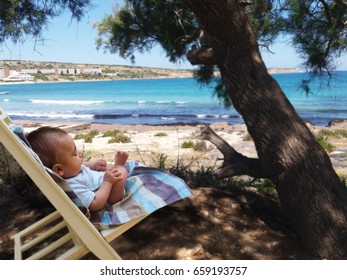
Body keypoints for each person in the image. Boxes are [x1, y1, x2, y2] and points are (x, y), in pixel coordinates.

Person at [26, 126, 128, 211]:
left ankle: (116, 167)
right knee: (121, 172)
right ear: (59, 170)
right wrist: (108, 182)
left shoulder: (70, 170)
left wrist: (94, 165)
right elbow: (95, 204)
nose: (79, 153)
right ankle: (119, 166)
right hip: (108, 196)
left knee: (110, 169)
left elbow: (83, 165)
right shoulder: (73, 186)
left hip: (102, 180)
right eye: (74, 154)